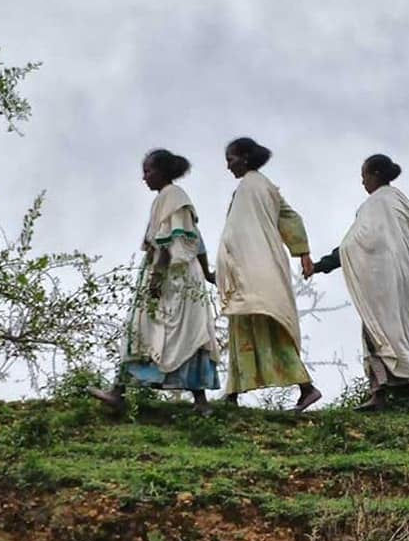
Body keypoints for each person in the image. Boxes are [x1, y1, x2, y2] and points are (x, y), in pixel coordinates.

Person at [311, 154, 409, 411]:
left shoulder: (375, 205)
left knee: (378, 330)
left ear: (375, 175)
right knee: (387, 329)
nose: (363, 182)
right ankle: (380, 394)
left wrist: (320, 266)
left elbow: (352, 245)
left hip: (380, 275)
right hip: (402, 276)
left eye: (364, 176)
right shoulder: (402, 203)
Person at [89, 150, 220, 415]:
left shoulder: (172, 197)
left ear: (162, 171)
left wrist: (156, 280)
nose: (144, 177)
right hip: (180, 276)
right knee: (177, 332)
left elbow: (169, 244)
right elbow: (197, 240)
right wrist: (206, 273)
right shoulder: (169, 200)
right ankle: (122, 391)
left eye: (148, 171)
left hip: (175, 277)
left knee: (154, 330)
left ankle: (122, 392)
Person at [216, 137, 321, 412]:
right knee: (244, 324)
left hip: (254, 267)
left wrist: (229, 264)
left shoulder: (250, 187)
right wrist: (303, 252)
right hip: (258, 267)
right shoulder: (265, 188)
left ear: (246, 158)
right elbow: (290, 218)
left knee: (265, 323)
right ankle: (232, 394)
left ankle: (307, 387)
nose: (228, 166)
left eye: (231, 159)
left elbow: (238, 232)